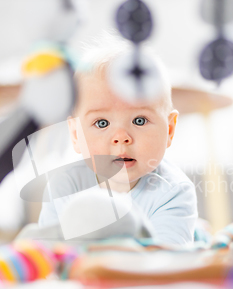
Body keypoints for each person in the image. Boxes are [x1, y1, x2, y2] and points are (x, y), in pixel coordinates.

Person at [37, 34, 197, 245]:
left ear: (169, 129)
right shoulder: (63, 187)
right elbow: (46, 255)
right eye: (102, 123)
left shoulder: (173, 192)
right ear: (76, 135)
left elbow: (165, 263)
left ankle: (198, 232)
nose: (121, 137)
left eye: (139, 120)